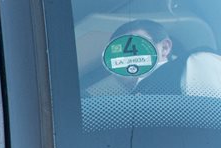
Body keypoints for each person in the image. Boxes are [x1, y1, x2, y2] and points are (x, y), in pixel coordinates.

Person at [90, 18, 221, 97]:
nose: (126, 58)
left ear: (164, 48)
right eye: (115, 54)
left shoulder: (197, 62)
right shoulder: (125, 104)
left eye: (137, 46)